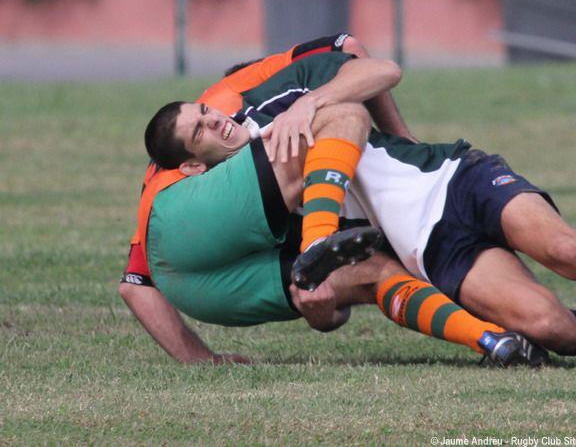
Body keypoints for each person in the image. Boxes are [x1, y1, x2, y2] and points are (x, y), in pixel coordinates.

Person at [146, 51, 576, 372]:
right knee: (547, 326)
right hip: (426, 248)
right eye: (199, 130)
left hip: (454, 178)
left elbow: (381, 70)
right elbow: (331, 314)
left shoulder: (274, 97)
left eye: (205, 108)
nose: (213, 118)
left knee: (561, 249)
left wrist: (312, 102)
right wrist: (320, 307)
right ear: (195, 167)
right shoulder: (251, 203)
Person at [122, 34, 542, 366]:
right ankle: (315, 244)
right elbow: (349, 49)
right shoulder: (247, 93)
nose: (211, 119)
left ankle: (491, 341)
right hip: (185, 230)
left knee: (370, 272)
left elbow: (136, 284)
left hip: (201, 288)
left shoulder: (215, 145)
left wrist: (201, 361)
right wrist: (403, 141)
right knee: (342, 115)